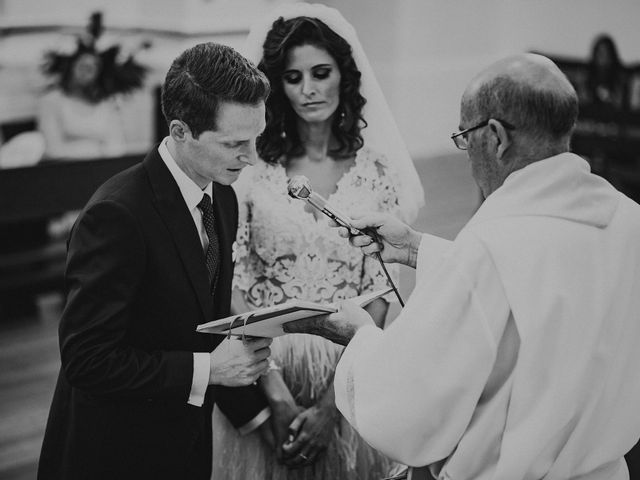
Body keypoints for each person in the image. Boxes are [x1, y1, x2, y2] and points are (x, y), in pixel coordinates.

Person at [287, 53, 640, 480]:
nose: (467, 155)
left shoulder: (490, 245)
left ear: (494, 137)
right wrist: (416, 249)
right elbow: (540, 297)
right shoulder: (628, 221)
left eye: (463, 136)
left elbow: (409, 412)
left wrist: (361, 337)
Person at [37, 42, 273, 480]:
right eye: (235, 143)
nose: (250, 157)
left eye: (255, 138)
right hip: (115, 452)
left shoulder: (222, 195)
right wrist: (209, 369)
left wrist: (259, 415)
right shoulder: (116, 215)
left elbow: (204, 318)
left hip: (185, 445)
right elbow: (87, 359)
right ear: (181, 131)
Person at [211, 3, 424, 479]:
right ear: (276, 86)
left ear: (343, 77)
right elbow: (236, 281)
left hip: (349, 366)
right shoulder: (254, 172)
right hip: (267, 362)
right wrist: (275, 395)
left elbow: (381, 294)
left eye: (320, 73)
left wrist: (335, 403)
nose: (308, 90)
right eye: (292, 77)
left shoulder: (376, 175)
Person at [38, 11, 147, 160]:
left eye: (91, 68)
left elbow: (116, 147)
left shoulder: (106, 104)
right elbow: (53, 149)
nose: (85, 72)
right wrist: (93, 150)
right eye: (82, 66)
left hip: (100, 172)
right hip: (62, 172)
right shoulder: (52, 101)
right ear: (71, 68)